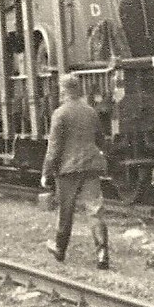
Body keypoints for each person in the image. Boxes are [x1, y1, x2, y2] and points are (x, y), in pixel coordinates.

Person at [40, 74, 109, 268]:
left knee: (66, 211)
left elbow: (53, 148)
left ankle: (60, 249)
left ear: (63, 91)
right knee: (95, 210)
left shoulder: (60, 114)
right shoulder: (90, 112)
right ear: (78, 89)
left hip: (68, 169)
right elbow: (100, 140)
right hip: (90, 166)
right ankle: (102, 253)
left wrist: (46, 173)